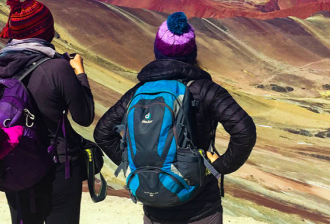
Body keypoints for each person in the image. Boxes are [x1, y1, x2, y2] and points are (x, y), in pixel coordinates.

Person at [94, 12, 257, 224]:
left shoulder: (139, 92)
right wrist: (219, 167)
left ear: (157, 52)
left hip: (154, 205)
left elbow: (103, 133)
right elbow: (244, 132)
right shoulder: (207, 90)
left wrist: (138, 165)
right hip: (201, 207)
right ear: (193, 53)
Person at [0, 0, 95, 224]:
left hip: (15, 164)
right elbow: (84, 116)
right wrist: (80, 73)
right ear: (44, 30)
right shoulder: (57, 68)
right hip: (58, 167)